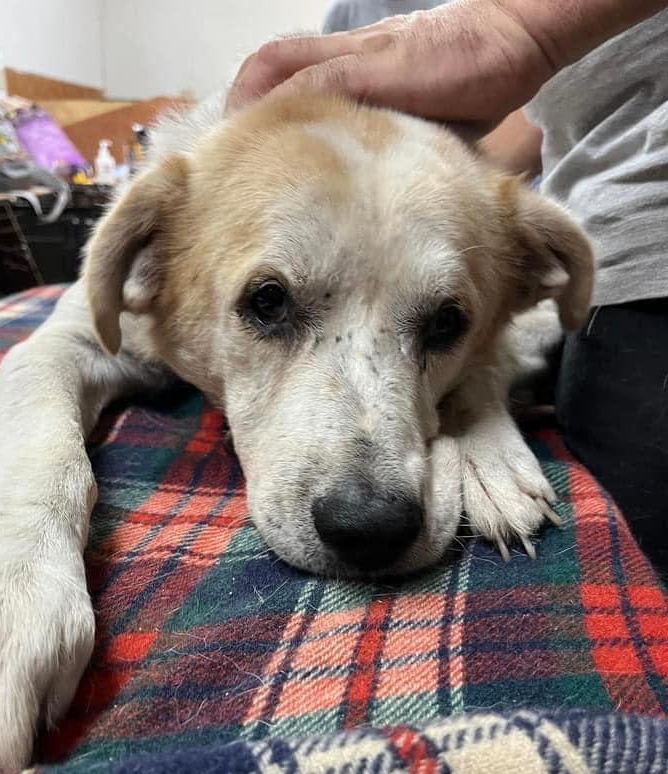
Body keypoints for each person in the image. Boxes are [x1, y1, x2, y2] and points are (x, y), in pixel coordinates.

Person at [228, 0, 668, 579]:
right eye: (270, 303)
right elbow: (529, 121)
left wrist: (521, 29)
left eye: (441, 326)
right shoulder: (360, 12)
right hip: (593, 170)